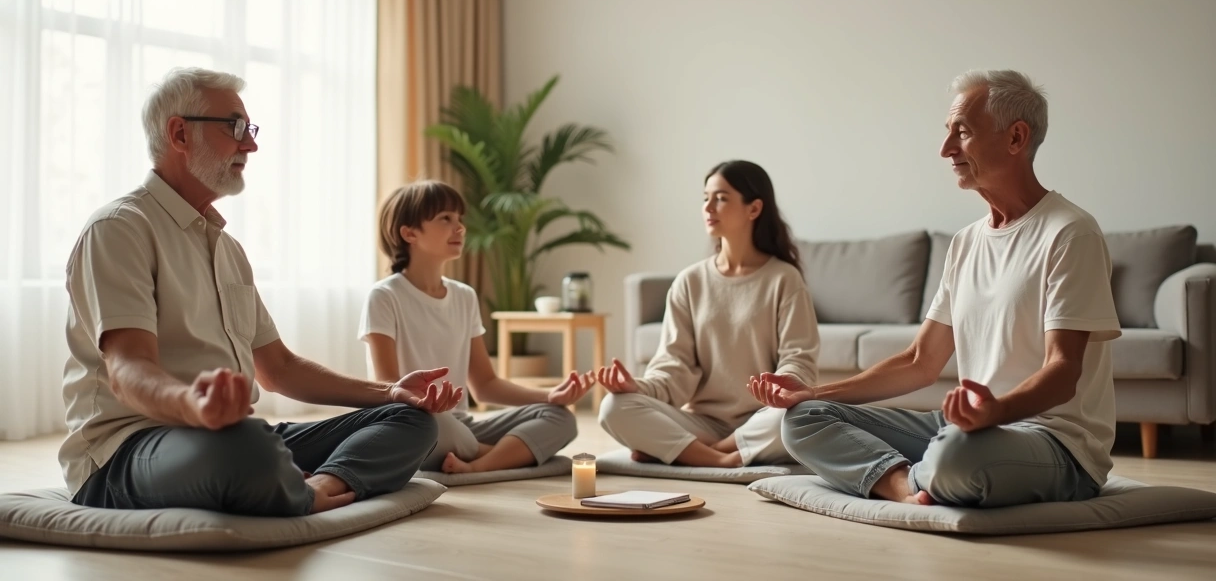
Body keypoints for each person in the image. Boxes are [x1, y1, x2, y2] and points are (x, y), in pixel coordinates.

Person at [61, 67, 463, 517]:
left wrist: (390, 391)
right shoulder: (119, 229)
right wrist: (194, 406)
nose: (249, 145)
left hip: (229, 436)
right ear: (179, 134)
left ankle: (322, 486)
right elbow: (127, 369)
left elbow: (280, 368)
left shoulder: (227, 248)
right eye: (235, 127)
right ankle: (285, 482)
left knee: (414, 421)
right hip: (128, 452)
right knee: (248, 446)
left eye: (249, 130)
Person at [752, 69, 1121, 508]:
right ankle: (902, 486)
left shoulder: (1070, 233)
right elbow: (918, 361)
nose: (945, 150)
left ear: (1016, 138)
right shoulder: (966, 243)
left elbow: (1063, 372)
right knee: (800, 420)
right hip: (969, 428)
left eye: (961, 133)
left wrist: (995, 413)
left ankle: (919, 474)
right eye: (947, 133)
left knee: (955, 456)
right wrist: (811, 393)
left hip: (1053, 442)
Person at [596, 160, 821, 467]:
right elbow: (673, 370)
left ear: (754, 209)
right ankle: (723, 459)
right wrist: (637, 388)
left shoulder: (784, 279)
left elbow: (798, 361)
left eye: (721, 198)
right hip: (702, 422)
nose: (708, 207)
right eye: (705, 198)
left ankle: (691, 452)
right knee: (613, 407)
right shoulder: (689, 282)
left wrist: (780, 392)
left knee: (801, 414)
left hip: (765, 418)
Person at [360, 180, 594, 474]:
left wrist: (550, 396)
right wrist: (429, 408)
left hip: (460, 424)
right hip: (414, 422)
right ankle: (505, 454)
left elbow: (484, 386)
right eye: (445, 218)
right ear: (409, 233)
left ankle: (478, 464)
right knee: (435, 426)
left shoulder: (464, 296)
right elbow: (388, 389)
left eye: (460, 219)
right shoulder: (384, 296)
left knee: (561, 418)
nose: (460, 228)